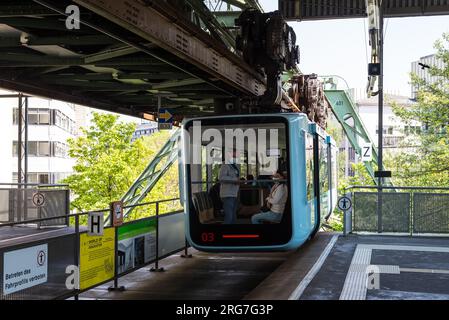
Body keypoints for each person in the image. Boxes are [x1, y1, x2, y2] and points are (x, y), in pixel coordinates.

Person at [219, 149, 240, 224]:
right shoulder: (225, 165)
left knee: (233, 216)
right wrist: (235, 180)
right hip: (227, 194)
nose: (235, 157)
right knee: (229, 217)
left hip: (234, 193)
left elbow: (236, 177)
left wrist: (238, 181)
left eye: (236, 155)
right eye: (233, 155)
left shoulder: (235, 165)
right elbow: (221, 178)